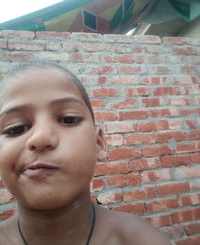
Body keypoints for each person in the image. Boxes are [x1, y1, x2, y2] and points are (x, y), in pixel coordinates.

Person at [0, 64, 172, 245]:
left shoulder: (143, 240)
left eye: (69, 119)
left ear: (99, 143)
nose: (41, 137)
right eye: (16, 129)